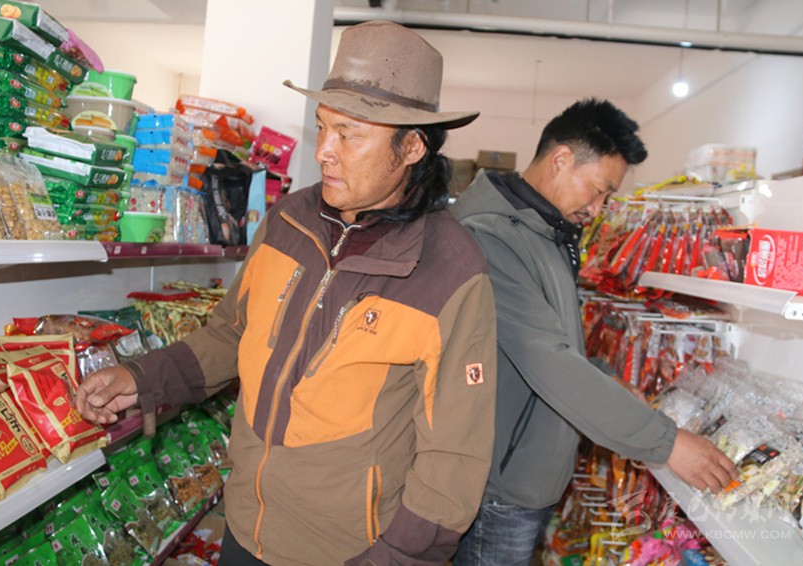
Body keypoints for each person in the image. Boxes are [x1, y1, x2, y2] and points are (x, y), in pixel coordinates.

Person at [76, 20, 498, 566]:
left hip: (349, 554)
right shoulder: (288, 220)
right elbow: (231, 334)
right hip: (245, 529)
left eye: (349, 134)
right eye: (322, 127)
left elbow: (454, 458)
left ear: (412, 146)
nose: (324, 151)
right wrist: (141, 377)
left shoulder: (451, 271)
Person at [450, 98, 738, 565]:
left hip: (525, 472)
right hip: (501, 486)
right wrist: (666, 443)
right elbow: (549, 361)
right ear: (561, 159)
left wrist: (606, 377)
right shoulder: (492, 237)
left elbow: (556, 337)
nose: (599, 208)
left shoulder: (546, 230)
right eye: (599, 190)